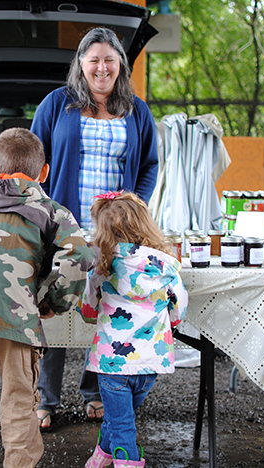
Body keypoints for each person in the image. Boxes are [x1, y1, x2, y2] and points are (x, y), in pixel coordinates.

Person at [0, 127, 97, 468]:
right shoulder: (52, 211)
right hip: (17, 316)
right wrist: (52, 302)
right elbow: (80, 257)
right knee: (19, 405)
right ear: (44, 173)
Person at [30, 26, 159, 431]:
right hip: (64, 226)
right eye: (94, 60)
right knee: (54, 305)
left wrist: (131, 208)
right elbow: (35, 158)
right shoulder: (57, 104)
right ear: (81, 65)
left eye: (109, 59)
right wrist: (41, 211)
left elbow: (151, 164)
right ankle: (45, 399)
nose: (102, 68)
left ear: (120, 64)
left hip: (114, 232)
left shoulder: (136, 110)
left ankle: (93, 393)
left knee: (107, 310)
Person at [79, 191, 188, 468]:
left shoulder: (101, 268)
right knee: (120, 419)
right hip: (151, 362)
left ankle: (123, 461)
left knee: (123, 427)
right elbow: (178, 311)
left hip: (112, 365)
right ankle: (101, 457)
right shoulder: (166, 266)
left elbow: (87, 310)